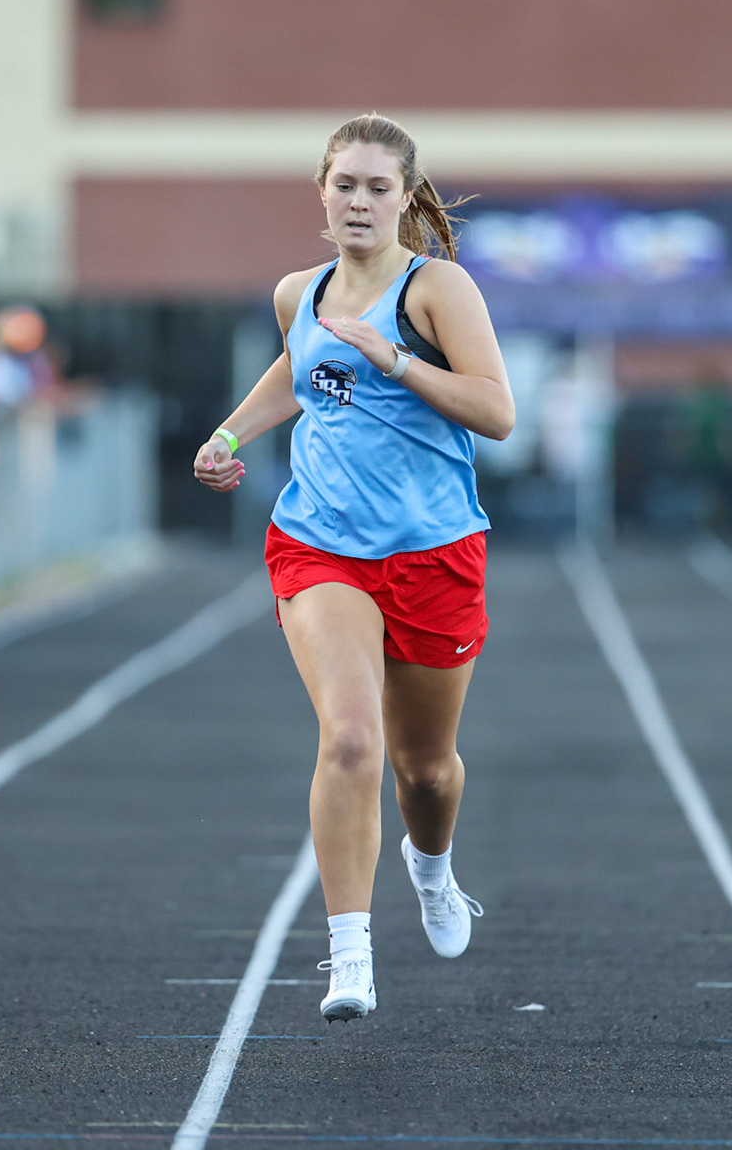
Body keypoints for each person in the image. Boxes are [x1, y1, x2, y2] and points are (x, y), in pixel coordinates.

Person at [192, 114, 514, 1021]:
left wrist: (400, 364)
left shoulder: (437, 289)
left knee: (426, 771)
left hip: (435, 553)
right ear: (321, 193)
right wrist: (227, 435)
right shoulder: (301, 290)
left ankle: (433, 868)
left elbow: (497, 413)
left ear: (406, 198)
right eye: (345, 185)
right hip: (321, 545)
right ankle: (349, 955)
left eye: (379, 187)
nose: (360, 201)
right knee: (348, 739)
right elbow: (295, 370)